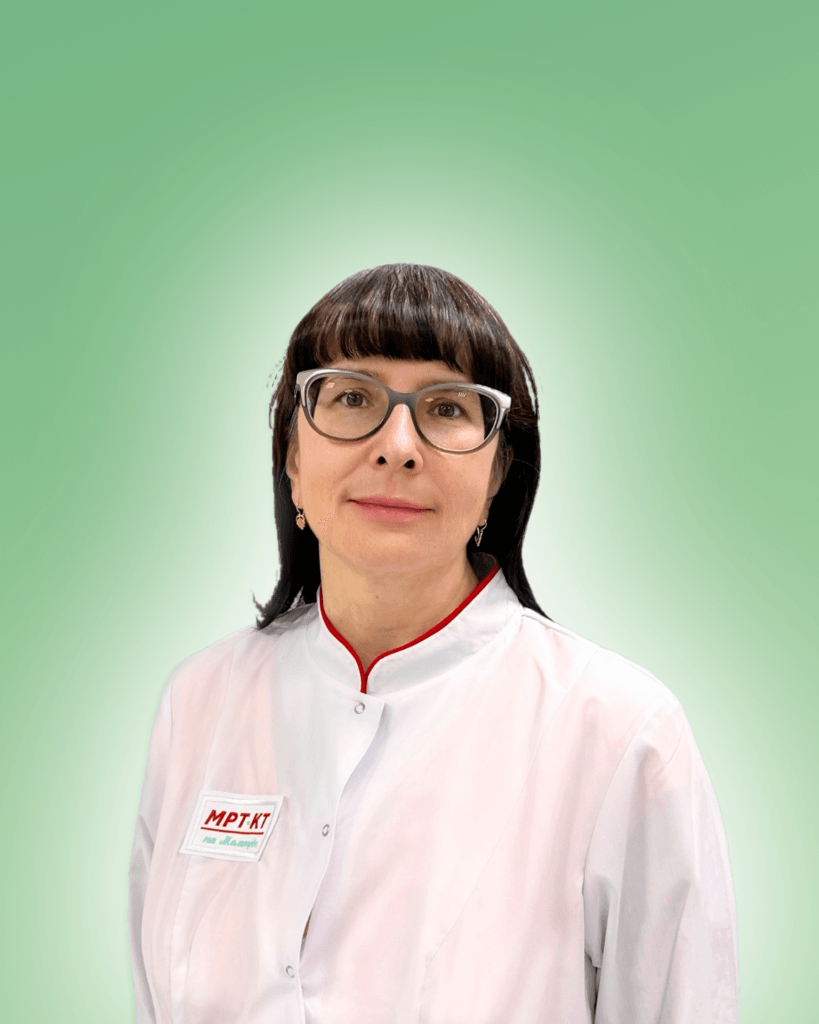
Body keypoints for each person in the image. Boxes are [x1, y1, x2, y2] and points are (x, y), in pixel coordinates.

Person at [129, 263, 740, 1023]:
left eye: (446, 408)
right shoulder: (199, 702)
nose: (396, 446)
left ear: (498, 471)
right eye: (352, 397)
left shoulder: (620, 732)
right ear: (292, 458)